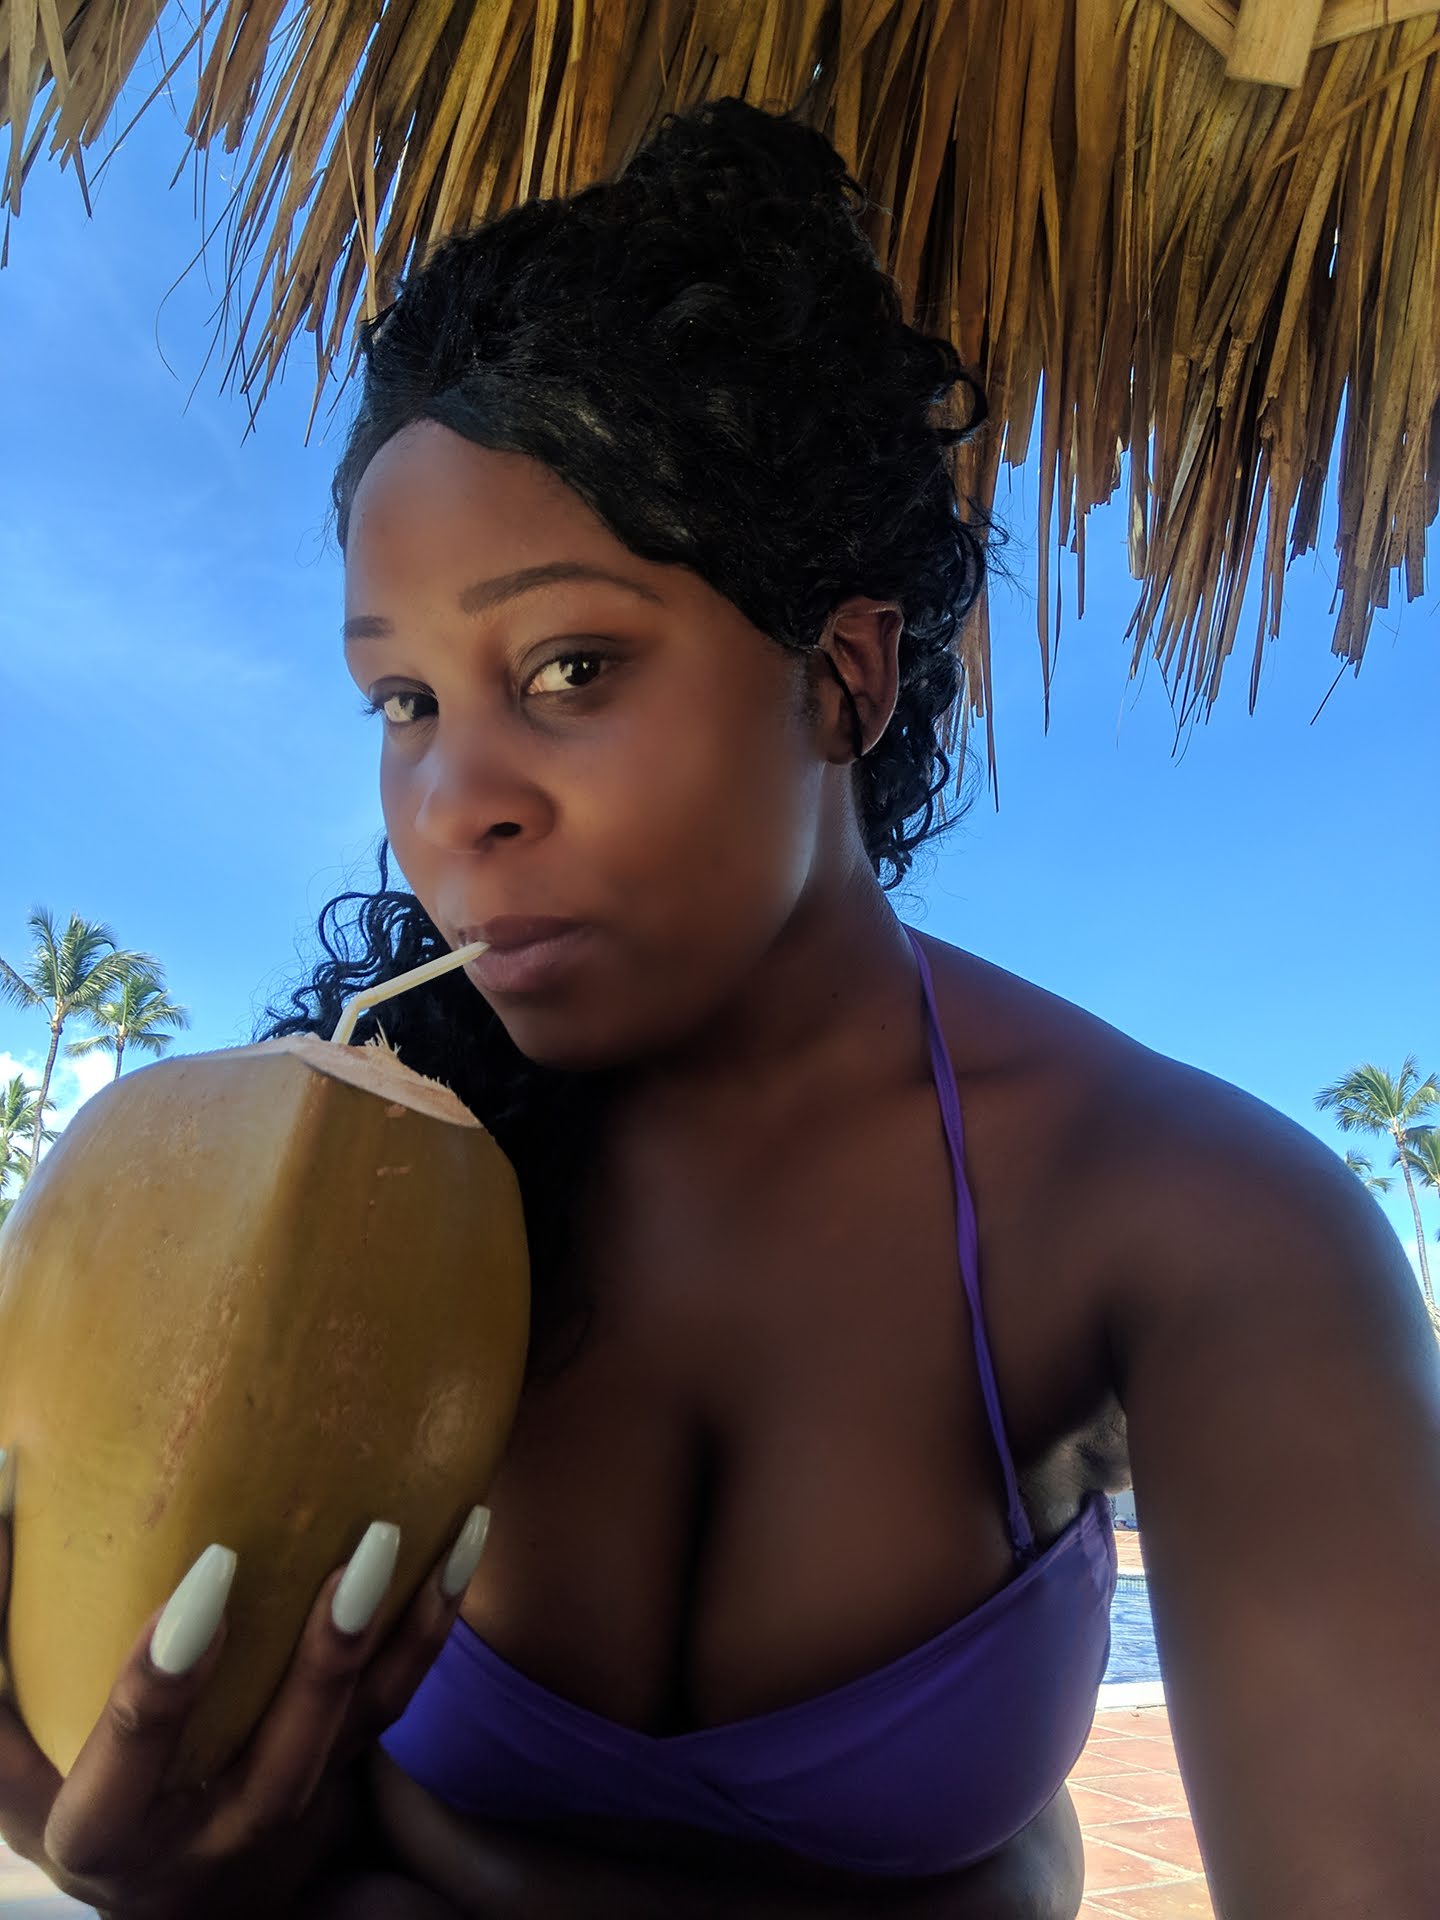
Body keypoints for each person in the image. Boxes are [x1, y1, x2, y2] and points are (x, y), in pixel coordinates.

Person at [3, 96, 1436, 1920]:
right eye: (405, 703)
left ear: (840, 677)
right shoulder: (335, 1204)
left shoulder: (1188, 1220)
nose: (456, 804)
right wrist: (212, 1854)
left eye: (571, 667)